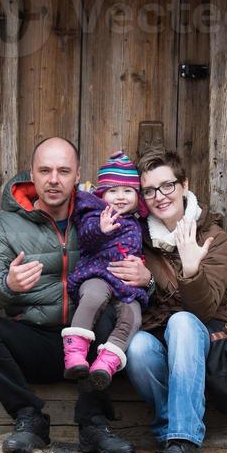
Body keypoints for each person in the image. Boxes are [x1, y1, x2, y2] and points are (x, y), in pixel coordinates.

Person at [0, 137, 144, 453]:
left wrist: (148, 279)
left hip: (89, 346)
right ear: (31, 175)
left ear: (77, 175)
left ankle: (93, 425)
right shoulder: (5, 225)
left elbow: (141, 270)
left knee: (107, 314)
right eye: (45, 170)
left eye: (63, 170)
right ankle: (29, 418)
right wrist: (8, 284)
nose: (54, 179)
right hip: (35, 342)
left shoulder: (103, 217)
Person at [112, 149, 227, 453]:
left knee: (182, 321)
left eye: (167, 186)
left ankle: (186, 439)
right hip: (156, 337)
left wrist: (192, 270)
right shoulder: (136, 237)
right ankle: (170, 434)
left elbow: (205, 308)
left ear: (184, 184)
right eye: (150, 190)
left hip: (201, 338)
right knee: (136, 346)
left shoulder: (214, 238)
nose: (160, 196)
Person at [62, 150, 149, 390]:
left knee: (133, 317)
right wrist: (100, 229)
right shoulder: (95, 213)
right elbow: (86, 239)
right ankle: (75, 354)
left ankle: (106, 362)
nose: (120, 197)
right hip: (98, 273)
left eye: (127, 191)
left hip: (126, 285)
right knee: (92, 298)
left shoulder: (139, 223)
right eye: (113, 191)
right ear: (102, 194)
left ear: (137, 196)